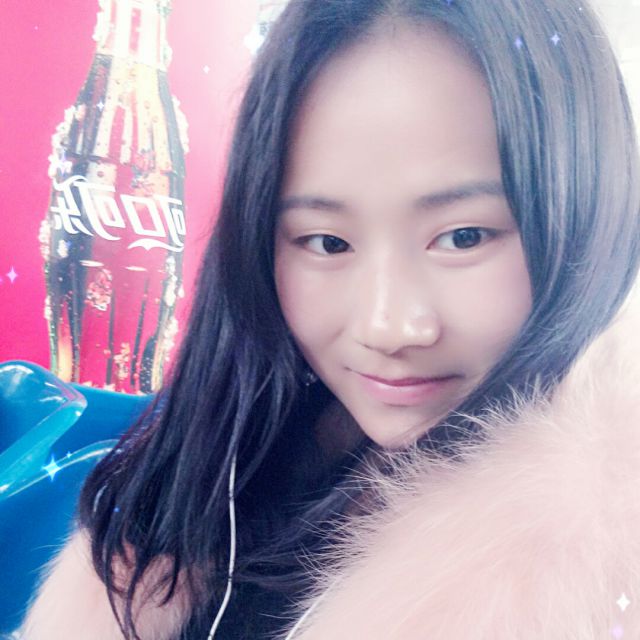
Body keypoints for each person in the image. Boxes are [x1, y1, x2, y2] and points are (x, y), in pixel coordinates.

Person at [18, 0, 640, 638]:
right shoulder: (241, 450)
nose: (387, 328)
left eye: (464, 236)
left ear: (589, 210)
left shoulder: (600, 566)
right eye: (327, 242)